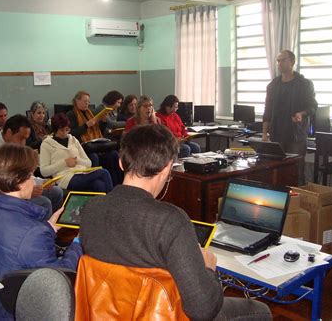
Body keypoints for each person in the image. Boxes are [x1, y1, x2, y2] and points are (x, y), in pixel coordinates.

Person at [79, 125, 272, 320]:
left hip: (109, 311)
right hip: (162, 312)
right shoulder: (170, 221)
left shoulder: (90, 208)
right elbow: (204, 310)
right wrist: (208, 269)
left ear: (121, 163)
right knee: (260, 310)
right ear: (168, 167)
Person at [0, 143, 82, 321]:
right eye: (31, 176)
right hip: (21, 311)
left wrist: (49, 228)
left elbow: (15, 250)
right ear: (18, 181)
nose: (34, 181)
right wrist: (78, 243)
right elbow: (60, 277)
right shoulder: (32, 234)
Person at [0, 114, 64, 216]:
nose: (23, 143)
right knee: (44, 202)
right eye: (21, 138)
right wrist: (26, 192)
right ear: (8, 133)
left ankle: (54, 223)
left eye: (25, 139)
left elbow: (23, 173)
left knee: (57, 192)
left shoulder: (14, 147)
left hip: (20, 186)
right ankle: (44, 228)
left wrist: (42, 182)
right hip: (6, 195)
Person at [262, 50, 317, 185]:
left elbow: (312, 107)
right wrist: (264, 134)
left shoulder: (304, 84)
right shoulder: (273, 85)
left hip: (295, 137)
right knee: (277, 172)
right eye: (278, 60)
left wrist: (301, 114)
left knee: (296, 172)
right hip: (276, 136)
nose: (279, 63)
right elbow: (267, 111)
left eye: (283, 60)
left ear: (292, 62)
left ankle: (296, 203)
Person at [40, 113, 113, 193]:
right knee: (103, 172)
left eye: (67, 129)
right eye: (61, 130)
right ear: (55, 130)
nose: (64, 133)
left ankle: (102, 205)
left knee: (99, 185)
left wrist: (77, 160)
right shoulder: (47, 144)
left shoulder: (73, 140)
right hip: (65, 178)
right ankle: (114, 203)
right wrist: (64, 163)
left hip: (82, 173)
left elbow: (88, 163)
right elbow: (44, 171)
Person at [67, 91, 122, 185]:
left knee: (114, 154)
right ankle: (95, 183)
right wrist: (86, 125)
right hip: (82, 147)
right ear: (77, 101)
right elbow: (71, 134)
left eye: (88, 102)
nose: (87, 104)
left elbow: (99, 130)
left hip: (95, 144)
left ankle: (117, 184)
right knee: (94, 157)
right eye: (84, 101)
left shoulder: (90, 112)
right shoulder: (71, 114)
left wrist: (103, 122)